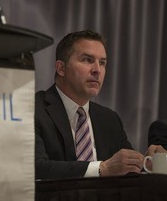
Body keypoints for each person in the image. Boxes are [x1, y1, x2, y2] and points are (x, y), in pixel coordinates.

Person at [35, 29, 163, 179]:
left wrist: (147, 165)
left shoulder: (109, 119)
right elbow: (36, 167)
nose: (97, 70)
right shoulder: (34, 110)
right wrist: (102, 169)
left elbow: (127, 173)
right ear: (61, 68)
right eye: (88, 60)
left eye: (102, 63)